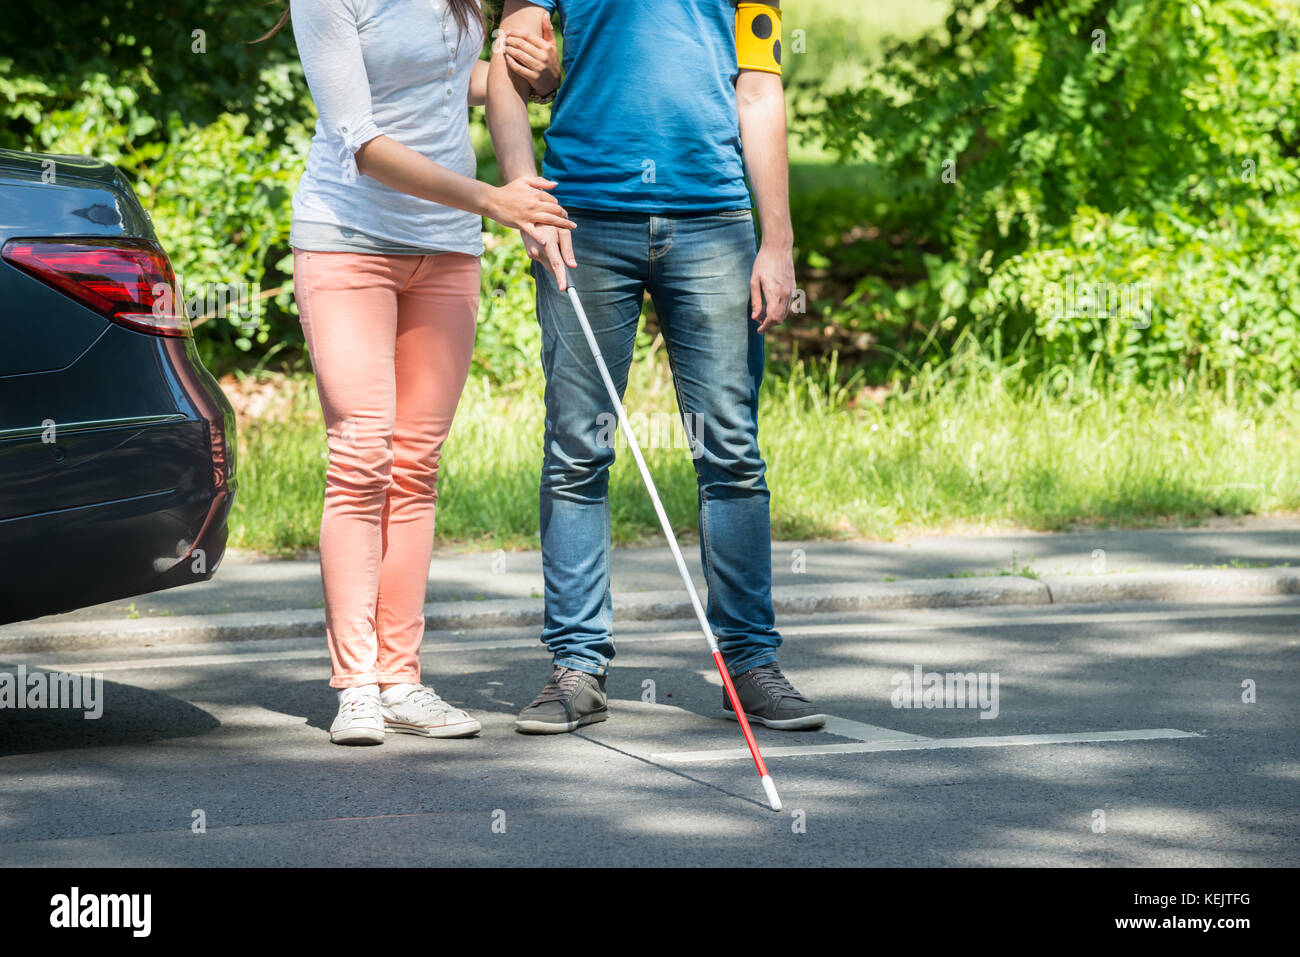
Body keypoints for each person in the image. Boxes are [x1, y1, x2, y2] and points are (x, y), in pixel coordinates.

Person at [487, 0, 827, 734]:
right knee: (578, 448)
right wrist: (523, 194)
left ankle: (751, 664)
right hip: (584, 220)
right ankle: (576, 666)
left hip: (715, 224)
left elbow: (760, 88)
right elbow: (510, 70)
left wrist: (778, 242)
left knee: (730, 451)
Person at [272, 0, 574, 744]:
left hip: (445, 249)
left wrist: (533, 92)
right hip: (346, 238)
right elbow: (363, 141)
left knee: (414, 465)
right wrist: (494, 201)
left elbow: (461, 76)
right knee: (362, 454)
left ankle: (401, 677)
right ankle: (356, 685)